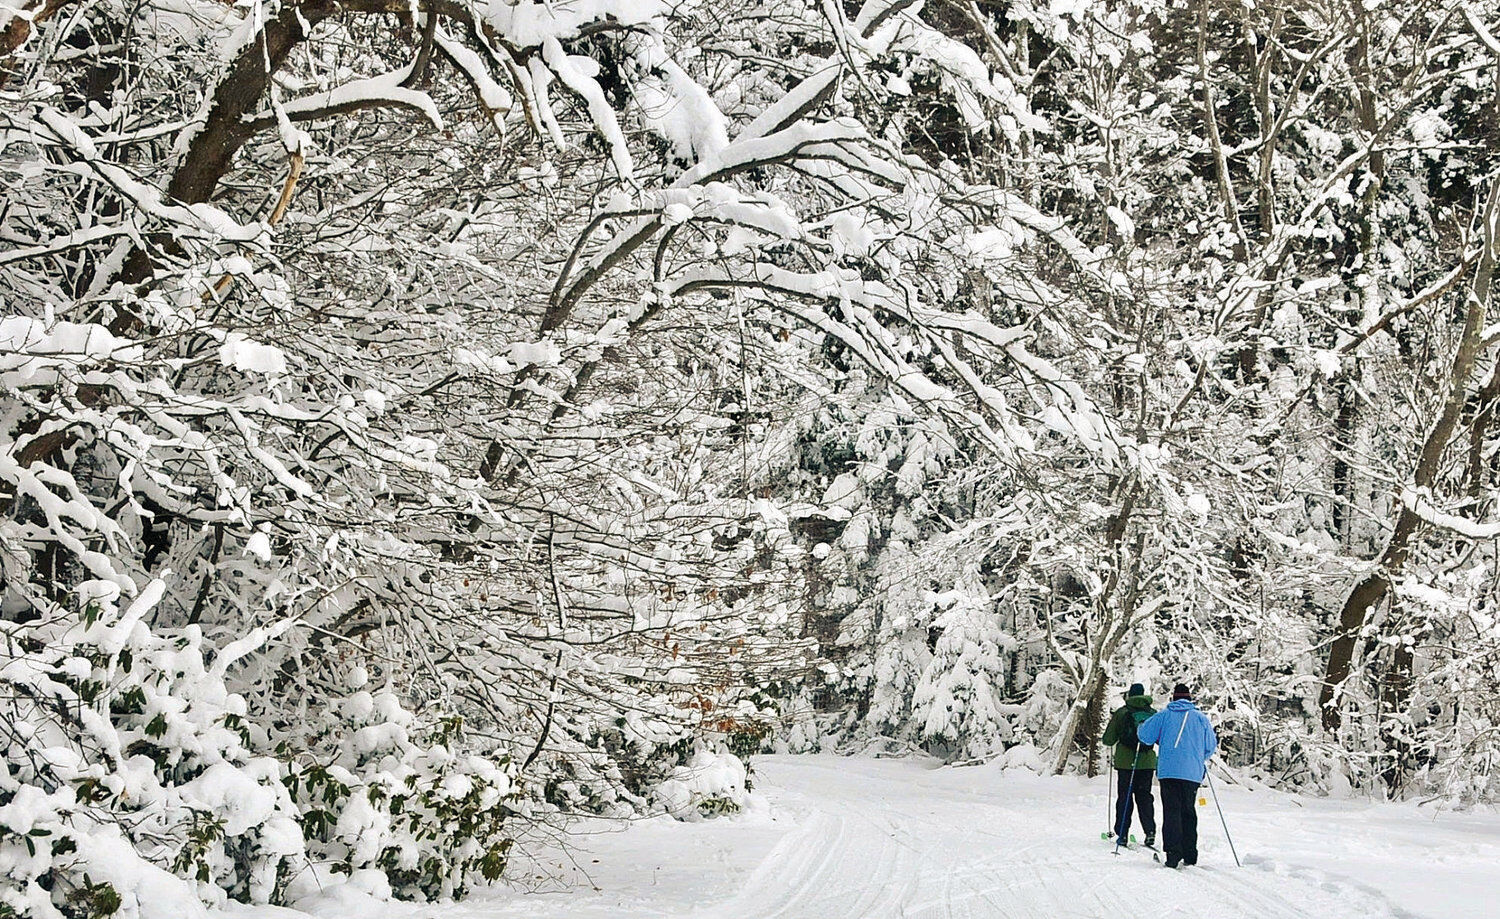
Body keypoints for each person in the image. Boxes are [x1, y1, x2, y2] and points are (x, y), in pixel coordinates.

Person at [1136, 682, 1218, 868]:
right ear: (1190, 699)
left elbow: (1145, 737)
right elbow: (1210, 746)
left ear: (1173, 698)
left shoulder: (1164, 715)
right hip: (1192, 773)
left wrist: (1142, 727)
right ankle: (1190, 854)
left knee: (1172, 811)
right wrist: (1197, 757)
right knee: (1188, 811)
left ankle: (1173, 854)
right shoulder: (1201, 718)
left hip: (1169, 772)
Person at [1101, 682, 1157, 847]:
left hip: (1126, 763)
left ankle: (1123, 833)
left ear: (1129, 695)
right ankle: (1150, 831)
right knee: (1145, 797)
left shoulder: (1122, 713)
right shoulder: (1153, 714)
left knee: (1125, 797)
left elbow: (1108, 739)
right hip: (1146, 763)